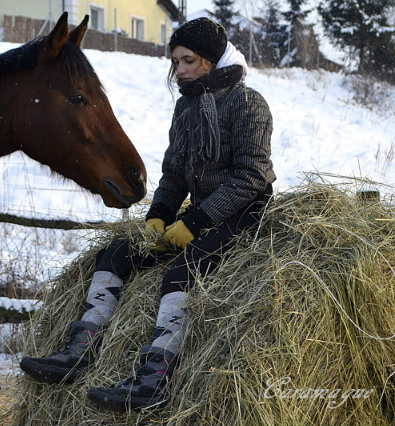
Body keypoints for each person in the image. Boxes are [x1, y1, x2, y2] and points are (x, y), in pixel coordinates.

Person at [20, 17, 275, 412]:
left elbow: (252, 177)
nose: (181, 70)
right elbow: (175, 173)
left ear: (210, 59)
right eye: (175, 62)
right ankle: (79, 352)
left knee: (181, 272)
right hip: (200, 213)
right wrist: (159, 213)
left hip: (244, 214)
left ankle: (154, 379)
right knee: (118, 253)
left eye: (189, 61)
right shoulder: (186, 108)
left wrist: (195, 222)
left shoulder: (248, 104)